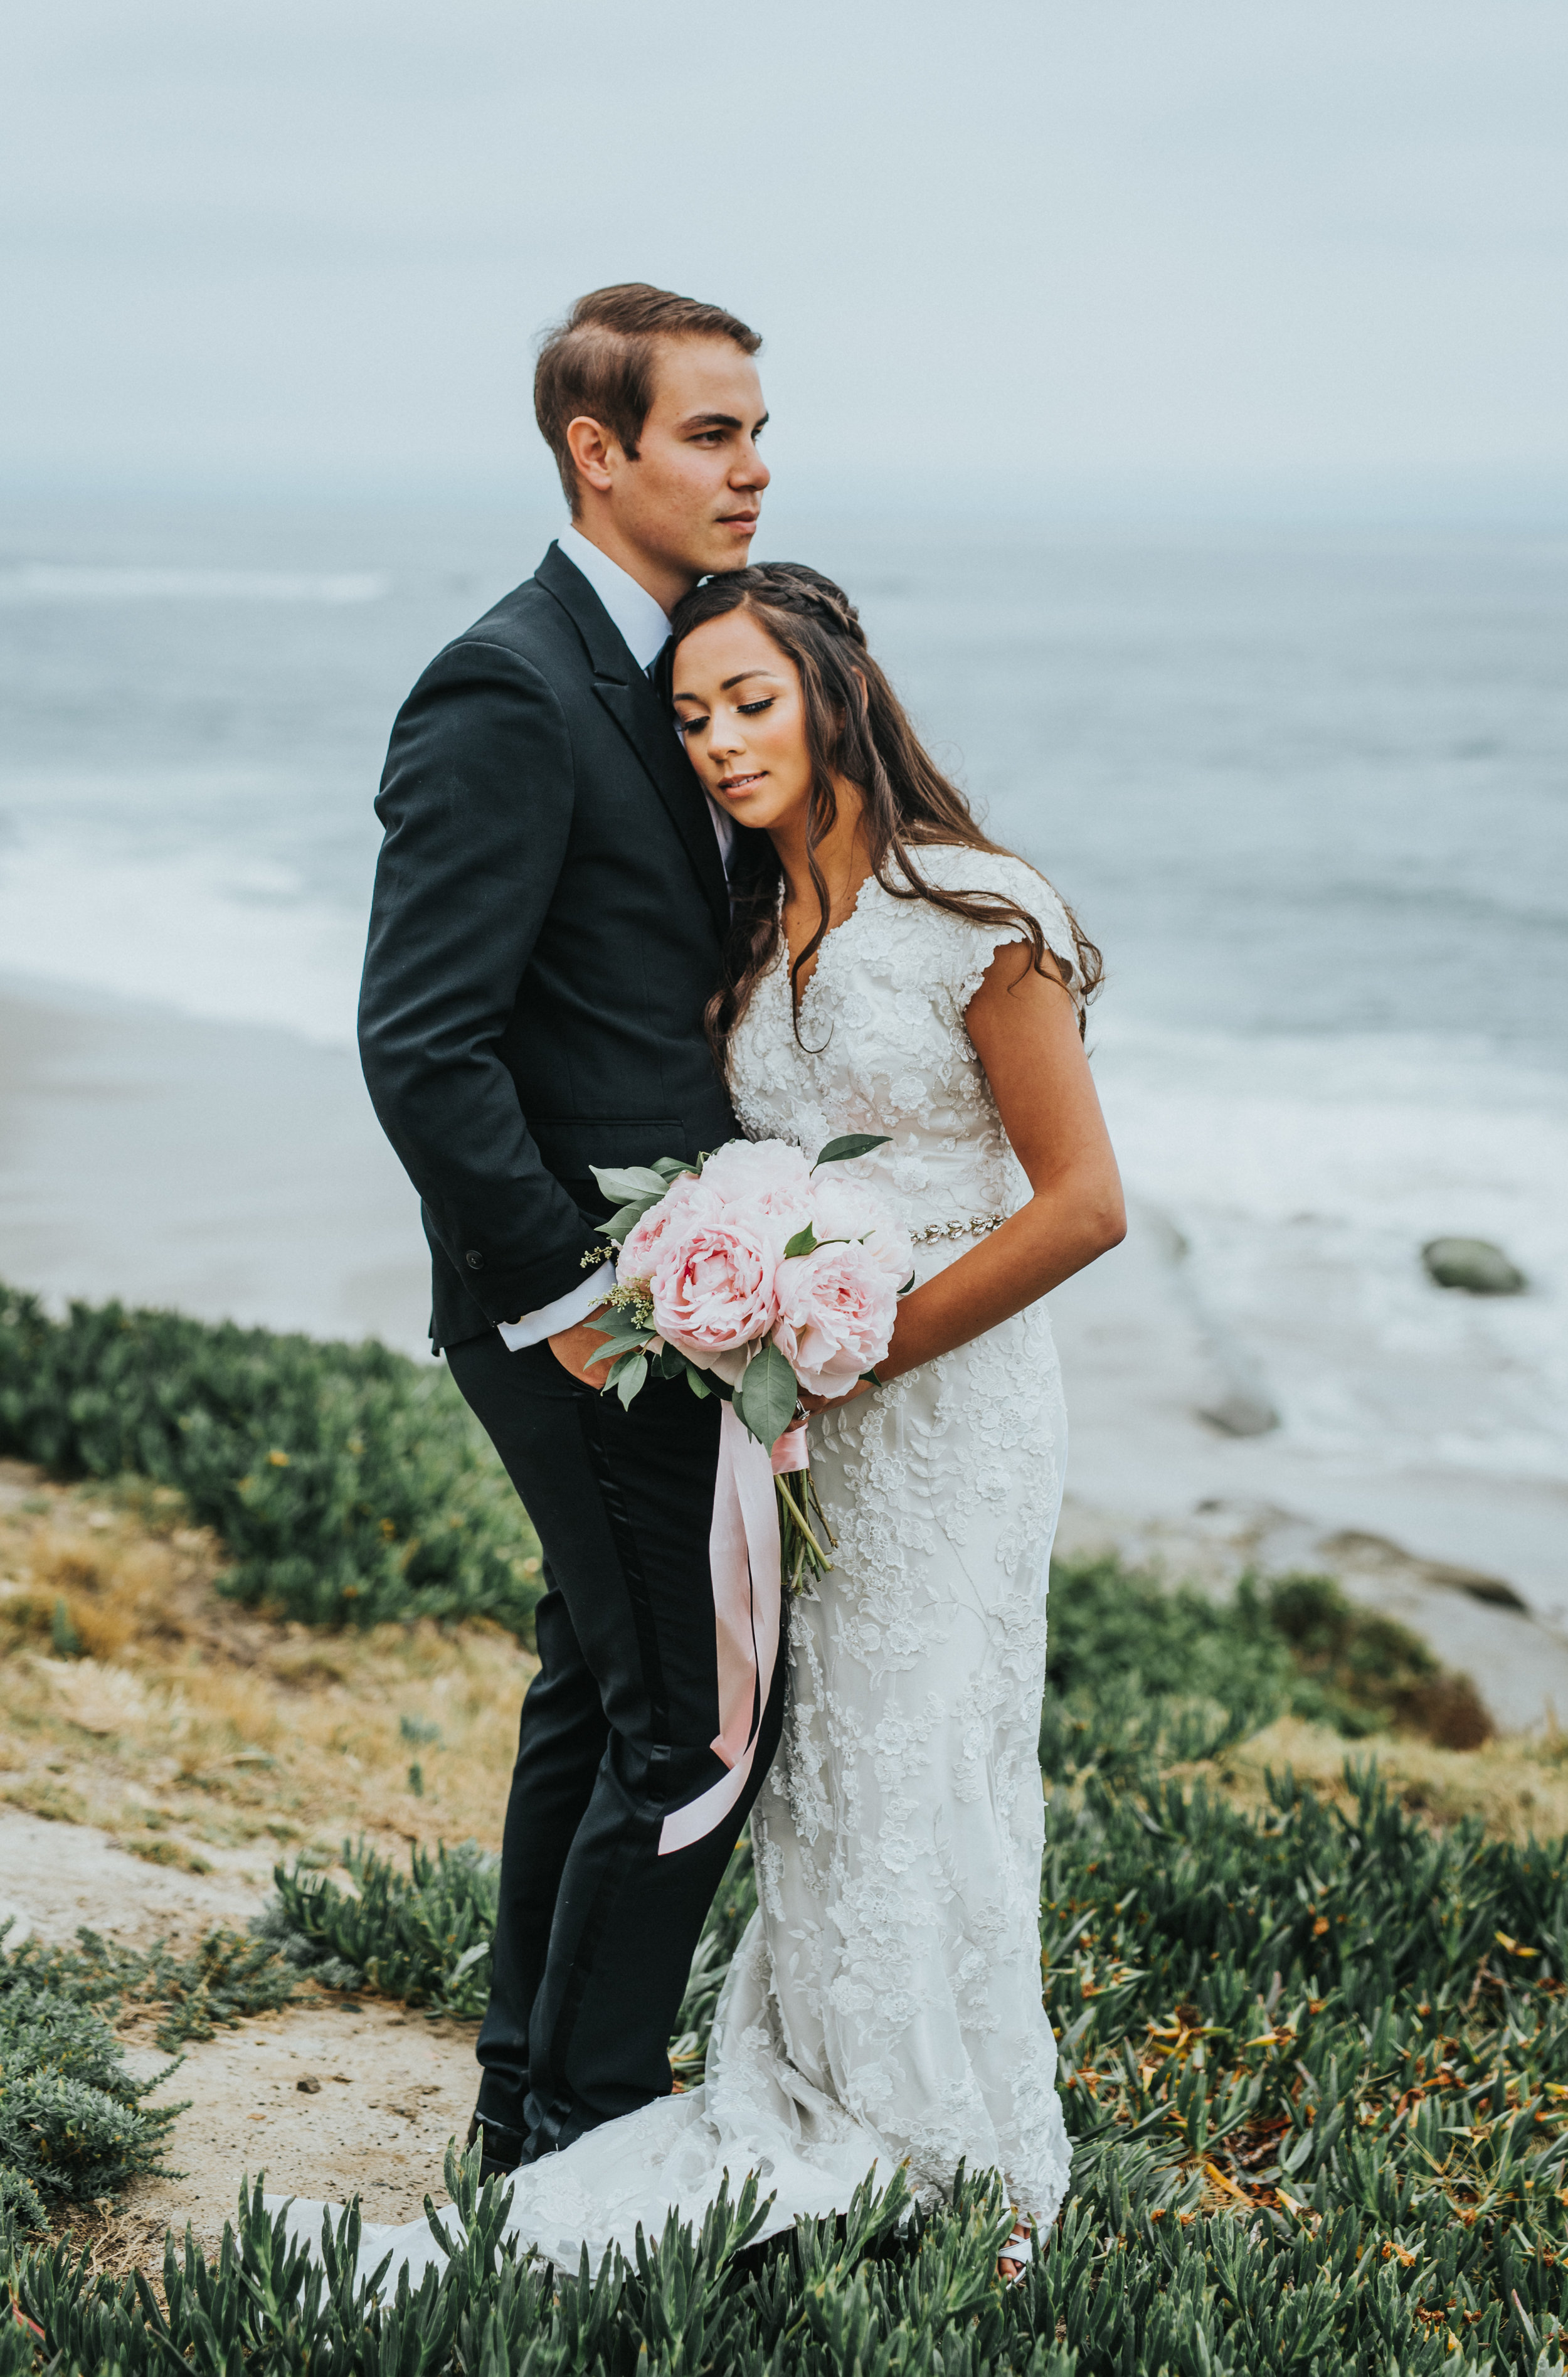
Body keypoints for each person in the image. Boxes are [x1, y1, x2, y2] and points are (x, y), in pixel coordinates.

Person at [321, 558, 1125, 2287]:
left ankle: (953, 2140)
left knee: (922, 1749)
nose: (718, 743)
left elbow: (1079, 1210)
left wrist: (859, 1345)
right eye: (688, 719)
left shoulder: (982, 913)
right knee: (811, 1760)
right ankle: (821, 2082)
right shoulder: (750, 932)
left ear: (837, 692)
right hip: (800, 1420)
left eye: (749, 701)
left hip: (943, 1408)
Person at [355, 283, 778, 2178]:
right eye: (710, 433)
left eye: (758, 431)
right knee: (688, 1734)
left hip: (671, 1297)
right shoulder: (506, 686)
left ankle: (527, 2110)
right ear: (594, 451)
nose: (750, 468)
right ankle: (589, 2131)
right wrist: (573, 1302)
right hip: (582, 1311)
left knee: (592, 1692)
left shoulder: (681, 666)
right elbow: (418, 1040)